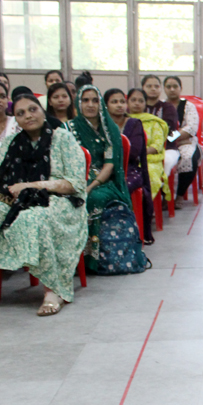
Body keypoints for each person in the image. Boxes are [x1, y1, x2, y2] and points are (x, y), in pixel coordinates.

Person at [0, 94, 87, 317]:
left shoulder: (63, 138)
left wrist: (32, 185)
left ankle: (53, 291)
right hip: (17, 199)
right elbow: (0, 181)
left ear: (42, 111)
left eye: (32, 109)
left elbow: (74, 184)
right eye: (20, 113)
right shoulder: (11, 143)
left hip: (58, 199)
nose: (28, 116)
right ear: (16, 120)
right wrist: (14, 194)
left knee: (33, 219)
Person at [68, 86, 148, 275]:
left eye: (95, 100)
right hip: (73, 178)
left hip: (102, 181)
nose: (90, 105)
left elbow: (110, 164)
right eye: (85, 100)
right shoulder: (68, 129)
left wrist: (91, 186)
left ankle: (94, 259)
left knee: (95, 198)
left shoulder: (109, 130)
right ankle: (73, 258)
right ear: (78, 103)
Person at [105, 88, 154, 245]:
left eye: (122, 101)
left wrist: (174, 140)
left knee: (159, 171)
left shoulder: (160, 116)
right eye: (114, 102)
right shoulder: (102, 124)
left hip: (155, 155)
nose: (119, 105)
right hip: (107, 166)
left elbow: (170, 136)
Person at [127, 87, 176, 203]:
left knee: (149, 175)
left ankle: (144, 207)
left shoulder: (154, 122)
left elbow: (157, 145)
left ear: (145, 103)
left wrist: (139, 154)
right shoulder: (122, 120)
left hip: (149, 160)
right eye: (133, 100)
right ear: (127, 102)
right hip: (126, 160)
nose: (137, 103)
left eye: (141, 101)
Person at [164, 76, 201, 206]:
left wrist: (171, 138)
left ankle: (180, 195)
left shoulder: (188, 106)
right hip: (163, 143)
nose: (172, 89)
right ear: (164, 89)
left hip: (186, 142)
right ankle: (163, 197)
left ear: (181, 88)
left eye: (175, 86)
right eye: (168, 87)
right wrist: (168, 141)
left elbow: (190, 128)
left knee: (189, 158)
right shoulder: (161, 106)